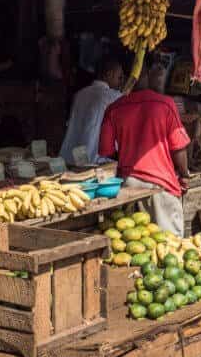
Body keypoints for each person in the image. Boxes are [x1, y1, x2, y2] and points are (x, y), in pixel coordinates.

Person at [98, 76, 191, 236]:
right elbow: (179, 147)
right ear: (148, 76)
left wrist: (127, 157)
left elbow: (106, 150)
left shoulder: (114, 108)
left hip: (128, 185)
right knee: (171, 248)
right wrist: (184, 174)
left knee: (135, 244)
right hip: (161, 185)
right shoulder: (165, 103)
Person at [60, 59, 124, 165]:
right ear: (109, 74)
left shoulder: (79, 94)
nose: (121, 82)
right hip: (92, 162)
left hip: (68, 158)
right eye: (119, 77)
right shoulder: (113, 97)